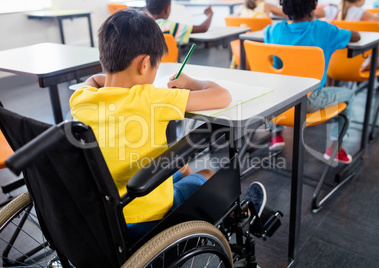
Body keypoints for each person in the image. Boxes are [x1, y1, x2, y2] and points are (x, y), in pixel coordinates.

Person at [69, 9, 231, 243]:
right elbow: (222, 96)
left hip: (105, 213)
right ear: (145, 64)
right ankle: (227, 218)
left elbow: (93, 80)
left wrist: (114, 83)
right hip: (149, 219)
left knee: (180, 167)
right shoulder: (150, 98)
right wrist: (190, 82)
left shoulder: (82, 98)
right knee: (206, 174)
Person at [264, 0, 361, 164]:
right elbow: (356, 36)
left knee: (277, 85)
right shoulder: (324, 29)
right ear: (313, 7)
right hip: (309, 99)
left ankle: (276, 136)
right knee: (349, 95)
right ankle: (335, 149)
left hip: (278, 100)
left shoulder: (273, 30)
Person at [315, 0, 379, 78]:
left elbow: (311, 13)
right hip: (355, 66)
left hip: (330, 65)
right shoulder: (361, 13)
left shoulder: (331, 10)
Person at [146, 0, 213, 44]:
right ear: (167, 9)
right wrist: (210, 14)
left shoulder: (145, 25)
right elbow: (203, 28)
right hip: (172, 65)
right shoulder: (171, 26)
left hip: (150, 65)